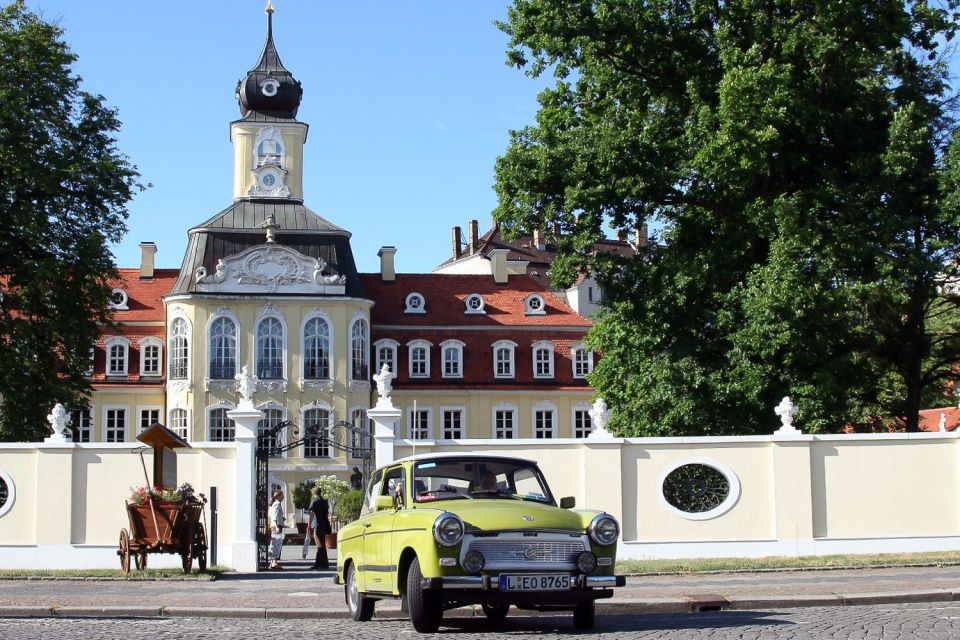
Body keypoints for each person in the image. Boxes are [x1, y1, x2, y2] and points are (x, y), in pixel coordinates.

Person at [307, 487, 331, 570]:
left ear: (314, 493)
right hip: (324, 524)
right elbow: (327, 514)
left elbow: (312, 513)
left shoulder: (314, 501)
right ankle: (318, 564)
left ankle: (323, 564)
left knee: (320, 545)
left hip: (317, 525)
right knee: (321, 544)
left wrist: (309, 524)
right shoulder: (324, 501)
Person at [268, 490, 285, 570]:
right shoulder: (277, 504)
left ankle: (272, 562)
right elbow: (274, 516)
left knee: (274, 543)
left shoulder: (275, 503)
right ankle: (274, 562)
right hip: (276, 526)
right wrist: (276, 525)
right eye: (282, 495)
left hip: (276, 525)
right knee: (276, 544)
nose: (283, 497)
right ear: (278, 496)